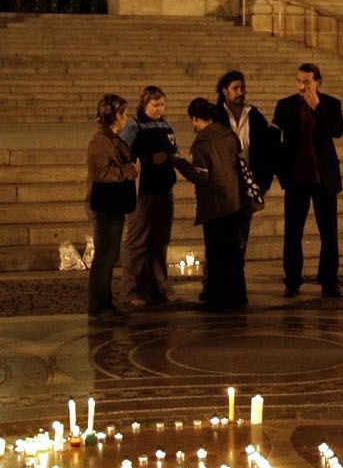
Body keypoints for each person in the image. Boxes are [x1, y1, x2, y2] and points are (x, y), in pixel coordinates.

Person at [273, 62, 343, 298]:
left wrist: (317, 107)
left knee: (329, 232)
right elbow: (274, 136)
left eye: (307, 82)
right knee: (293, 232)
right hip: (296, 177)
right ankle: (292, 280)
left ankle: (329, 280)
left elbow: (337, 130)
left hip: (323, 177)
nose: (302, 86)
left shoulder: (331, 104)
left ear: (318, 83)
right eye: (299, 81)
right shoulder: (285, 105)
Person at [121, 86, 184, 308]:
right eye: (155, 105)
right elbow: (122, 153)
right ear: (144, 104)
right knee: (137, 241)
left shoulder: (166, 125)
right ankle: (130, 290)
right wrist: (147, 160)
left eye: (162, 105)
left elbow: (175, 148)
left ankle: (158, 287)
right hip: (144, 190)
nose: (159, 109)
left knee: (160, 241)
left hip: (164, 187)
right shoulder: (134, 125)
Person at [186, 96, 249, 311]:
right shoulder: (227, 133)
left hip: (214, 205)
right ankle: (238, 296)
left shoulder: (202, 142)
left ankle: (217, 300)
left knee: (215, 253)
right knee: (232, 252)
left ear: (194, 118)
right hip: (235, 201)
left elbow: (201, 176)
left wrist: (179, 164)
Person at [214, 70, 278, 269]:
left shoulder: (255, 116)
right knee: (219, 239)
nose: (240, 92)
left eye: (242, 88)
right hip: (223, 187)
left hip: (248, 186)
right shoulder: (215, 116)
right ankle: (214, 285)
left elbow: (268, 152)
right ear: (224, 91)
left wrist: (263, 183)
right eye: (235, 88)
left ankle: (236, 283)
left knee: (242, 235)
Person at [84, 93, 138, 319]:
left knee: (110, 253)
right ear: (114, 116)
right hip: (104, 204)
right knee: (105, 255)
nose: (126, 117)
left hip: (113, 203)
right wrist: (127, 171)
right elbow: (100, 172)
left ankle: (105, 302)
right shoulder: (100, 141)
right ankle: (99, 306)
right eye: (123, 113)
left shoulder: (112, 138)